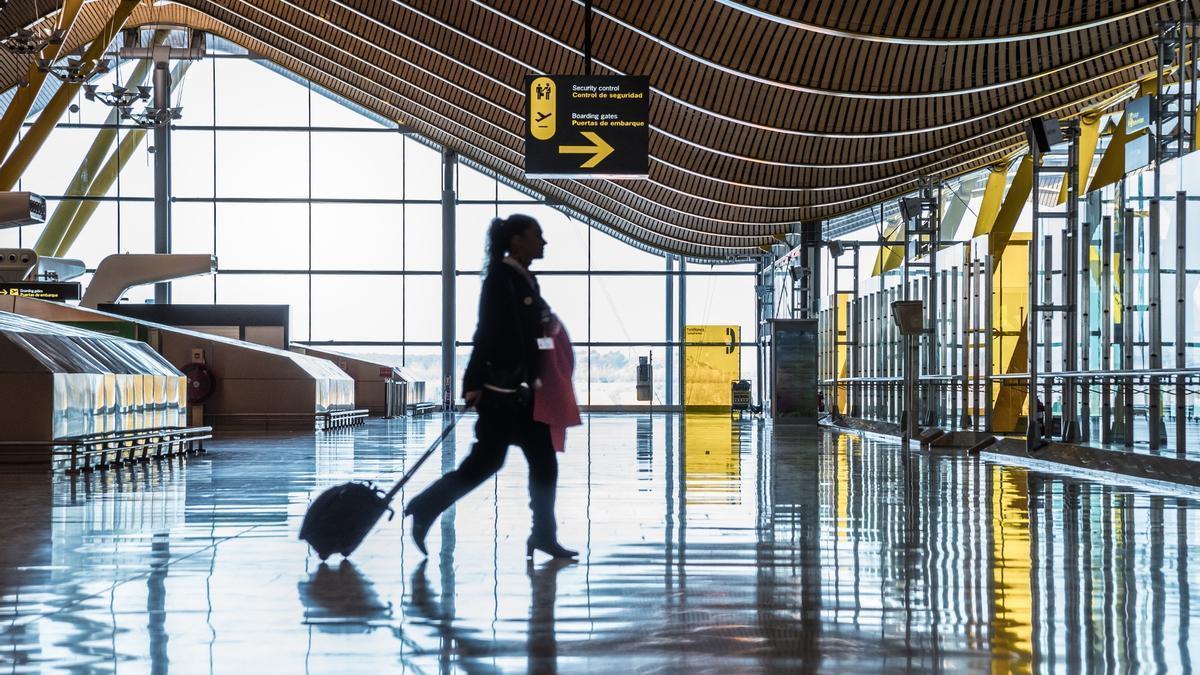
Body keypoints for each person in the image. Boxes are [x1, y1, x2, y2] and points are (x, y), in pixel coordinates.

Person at [404, 214, 577, 560]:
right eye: (537, 234)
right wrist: (471, 383)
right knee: (485, 464)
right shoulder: (501, 277)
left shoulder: (524, 280)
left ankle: (543, 535)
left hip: (522, 394)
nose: (543, 242)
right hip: (501, 395)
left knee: (542, 463)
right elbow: (486, 331)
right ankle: (425, 506)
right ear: (516, 240)